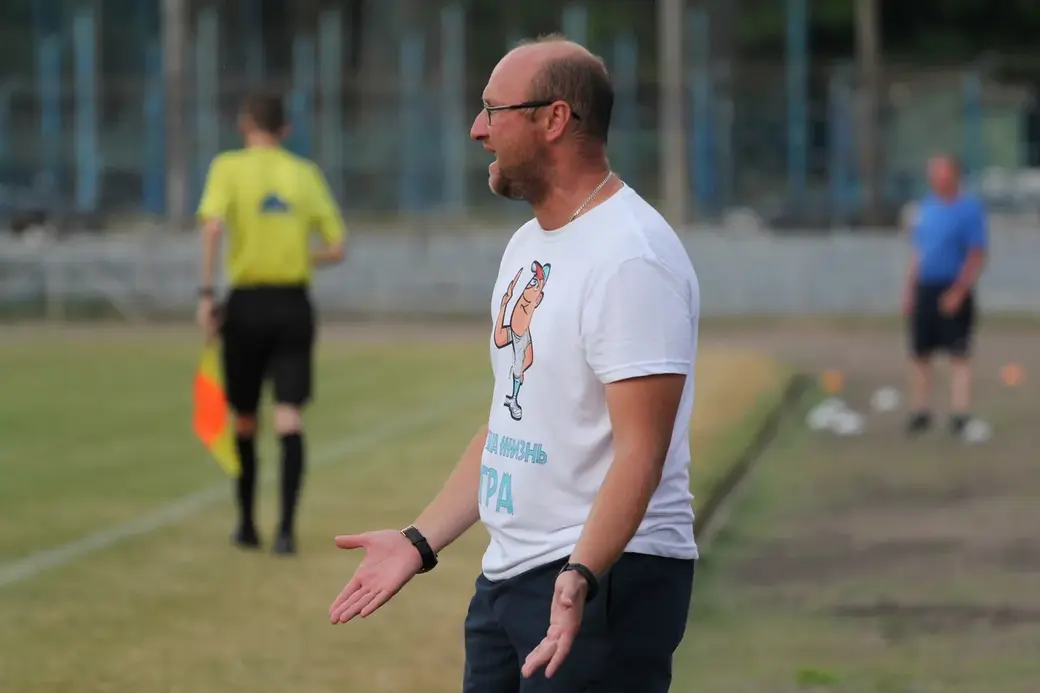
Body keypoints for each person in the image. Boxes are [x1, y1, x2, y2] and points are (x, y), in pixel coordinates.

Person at [329, 35, 700, 693]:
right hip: (511, 576)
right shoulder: (529, 244)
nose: (477, 129)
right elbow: (512, 423)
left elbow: (644, 449)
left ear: (554, 119)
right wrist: (419, 541)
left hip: (602, 583)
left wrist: (580, 573)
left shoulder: (631, 256)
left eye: (493, 110)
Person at [196, 91, 347, 556]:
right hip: (292, 305)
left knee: (244, 417)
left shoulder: (228, 167)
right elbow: (337, 245)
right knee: (288, 415)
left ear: (245, 124)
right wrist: (304, 256)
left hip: (245, 304)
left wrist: (206, 293)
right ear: (286, 130)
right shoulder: (304, 174)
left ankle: (245, 523)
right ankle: (286, 530)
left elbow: (213, 227)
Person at [902, 155, 988, 437]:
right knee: (920, 353)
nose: (935, 177)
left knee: (958, 354)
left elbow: (976, 254)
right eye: (932, 172)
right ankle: (921, 411)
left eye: (940, 172)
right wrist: (909, 288)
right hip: (926, 287)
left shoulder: (969, 209)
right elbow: (918, 252)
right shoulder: (926, 208)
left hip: (952, 286)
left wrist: (959, 291)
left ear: (953, 175)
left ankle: (960, 414)